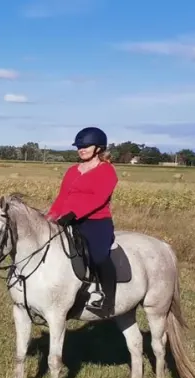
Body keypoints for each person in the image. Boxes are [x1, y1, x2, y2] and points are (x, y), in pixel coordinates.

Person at [48, 126, 118, 312]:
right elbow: (62, 196)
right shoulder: (72, 170)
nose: (81, 149)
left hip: (96, 222)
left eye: (86, 145)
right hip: (67, 220)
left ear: (99, 148)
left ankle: (108, 301)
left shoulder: (107, 171)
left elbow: (99, 198)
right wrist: (51, 216)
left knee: (99, 256)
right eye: (79, 146)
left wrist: (74, 213)